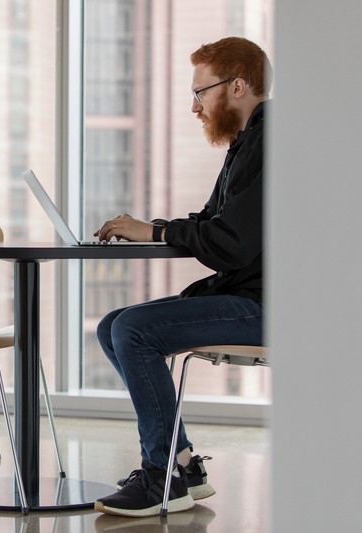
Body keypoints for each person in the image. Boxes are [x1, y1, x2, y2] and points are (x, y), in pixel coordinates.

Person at [92, 36, 271, 517]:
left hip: (273, 308)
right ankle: (181, 464)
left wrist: (154, 230)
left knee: (133, 329)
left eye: (200, 92)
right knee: (113, 325)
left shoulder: (271, 139)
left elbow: (230, 243)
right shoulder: (245, 142)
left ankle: (161, 474)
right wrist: (150, 231)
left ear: (236, 86)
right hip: (249, 297)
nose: (194, 106)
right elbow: (214, 224)